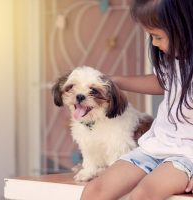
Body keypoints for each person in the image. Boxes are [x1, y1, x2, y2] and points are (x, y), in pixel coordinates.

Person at [80, 0, 193, 199]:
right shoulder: (174, 59)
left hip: (187, 154)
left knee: (143, 194)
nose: (155, 43)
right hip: (157, 145)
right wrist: (116, 82)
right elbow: (163, 82)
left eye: (157, 36)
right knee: (94, 191)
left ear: (184, 26)